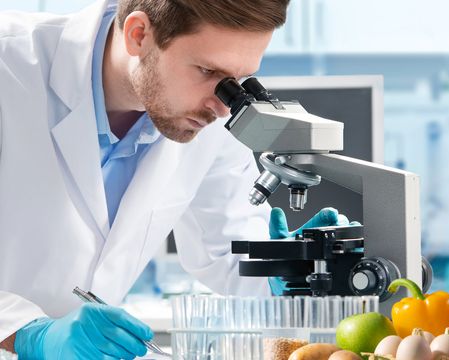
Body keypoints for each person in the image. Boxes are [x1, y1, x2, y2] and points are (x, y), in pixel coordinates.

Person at [0, 0, 351, 358]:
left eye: (239, 79)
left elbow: (224, 251)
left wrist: (283, 270)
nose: (224, 106)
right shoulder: (9, 65)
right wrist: (28, 333)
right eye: (206, 71)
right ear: (139, 35)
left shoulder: (209, 115)